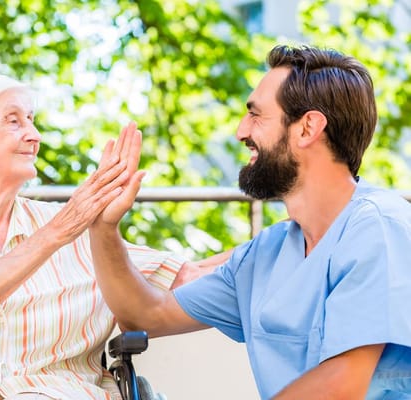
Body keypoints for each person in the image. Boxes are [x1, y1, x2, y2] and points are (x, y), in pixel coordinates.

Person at [0, 73, 224, 400]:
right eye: (13, 121)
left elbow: (186, 277)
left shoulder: (82, 229)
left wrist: (276, 239)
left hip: (51, 392)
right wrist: (57, 232)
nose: (34, 135)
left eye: (32, 120)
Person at [89, 44, 411, 399]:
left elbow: (342, 386)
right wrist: (103, 228)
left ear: (307, 128)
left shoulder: (379, 226)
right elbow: (147, 315)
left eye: (256, 116)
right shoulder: (266, 254)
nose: (241, 131)